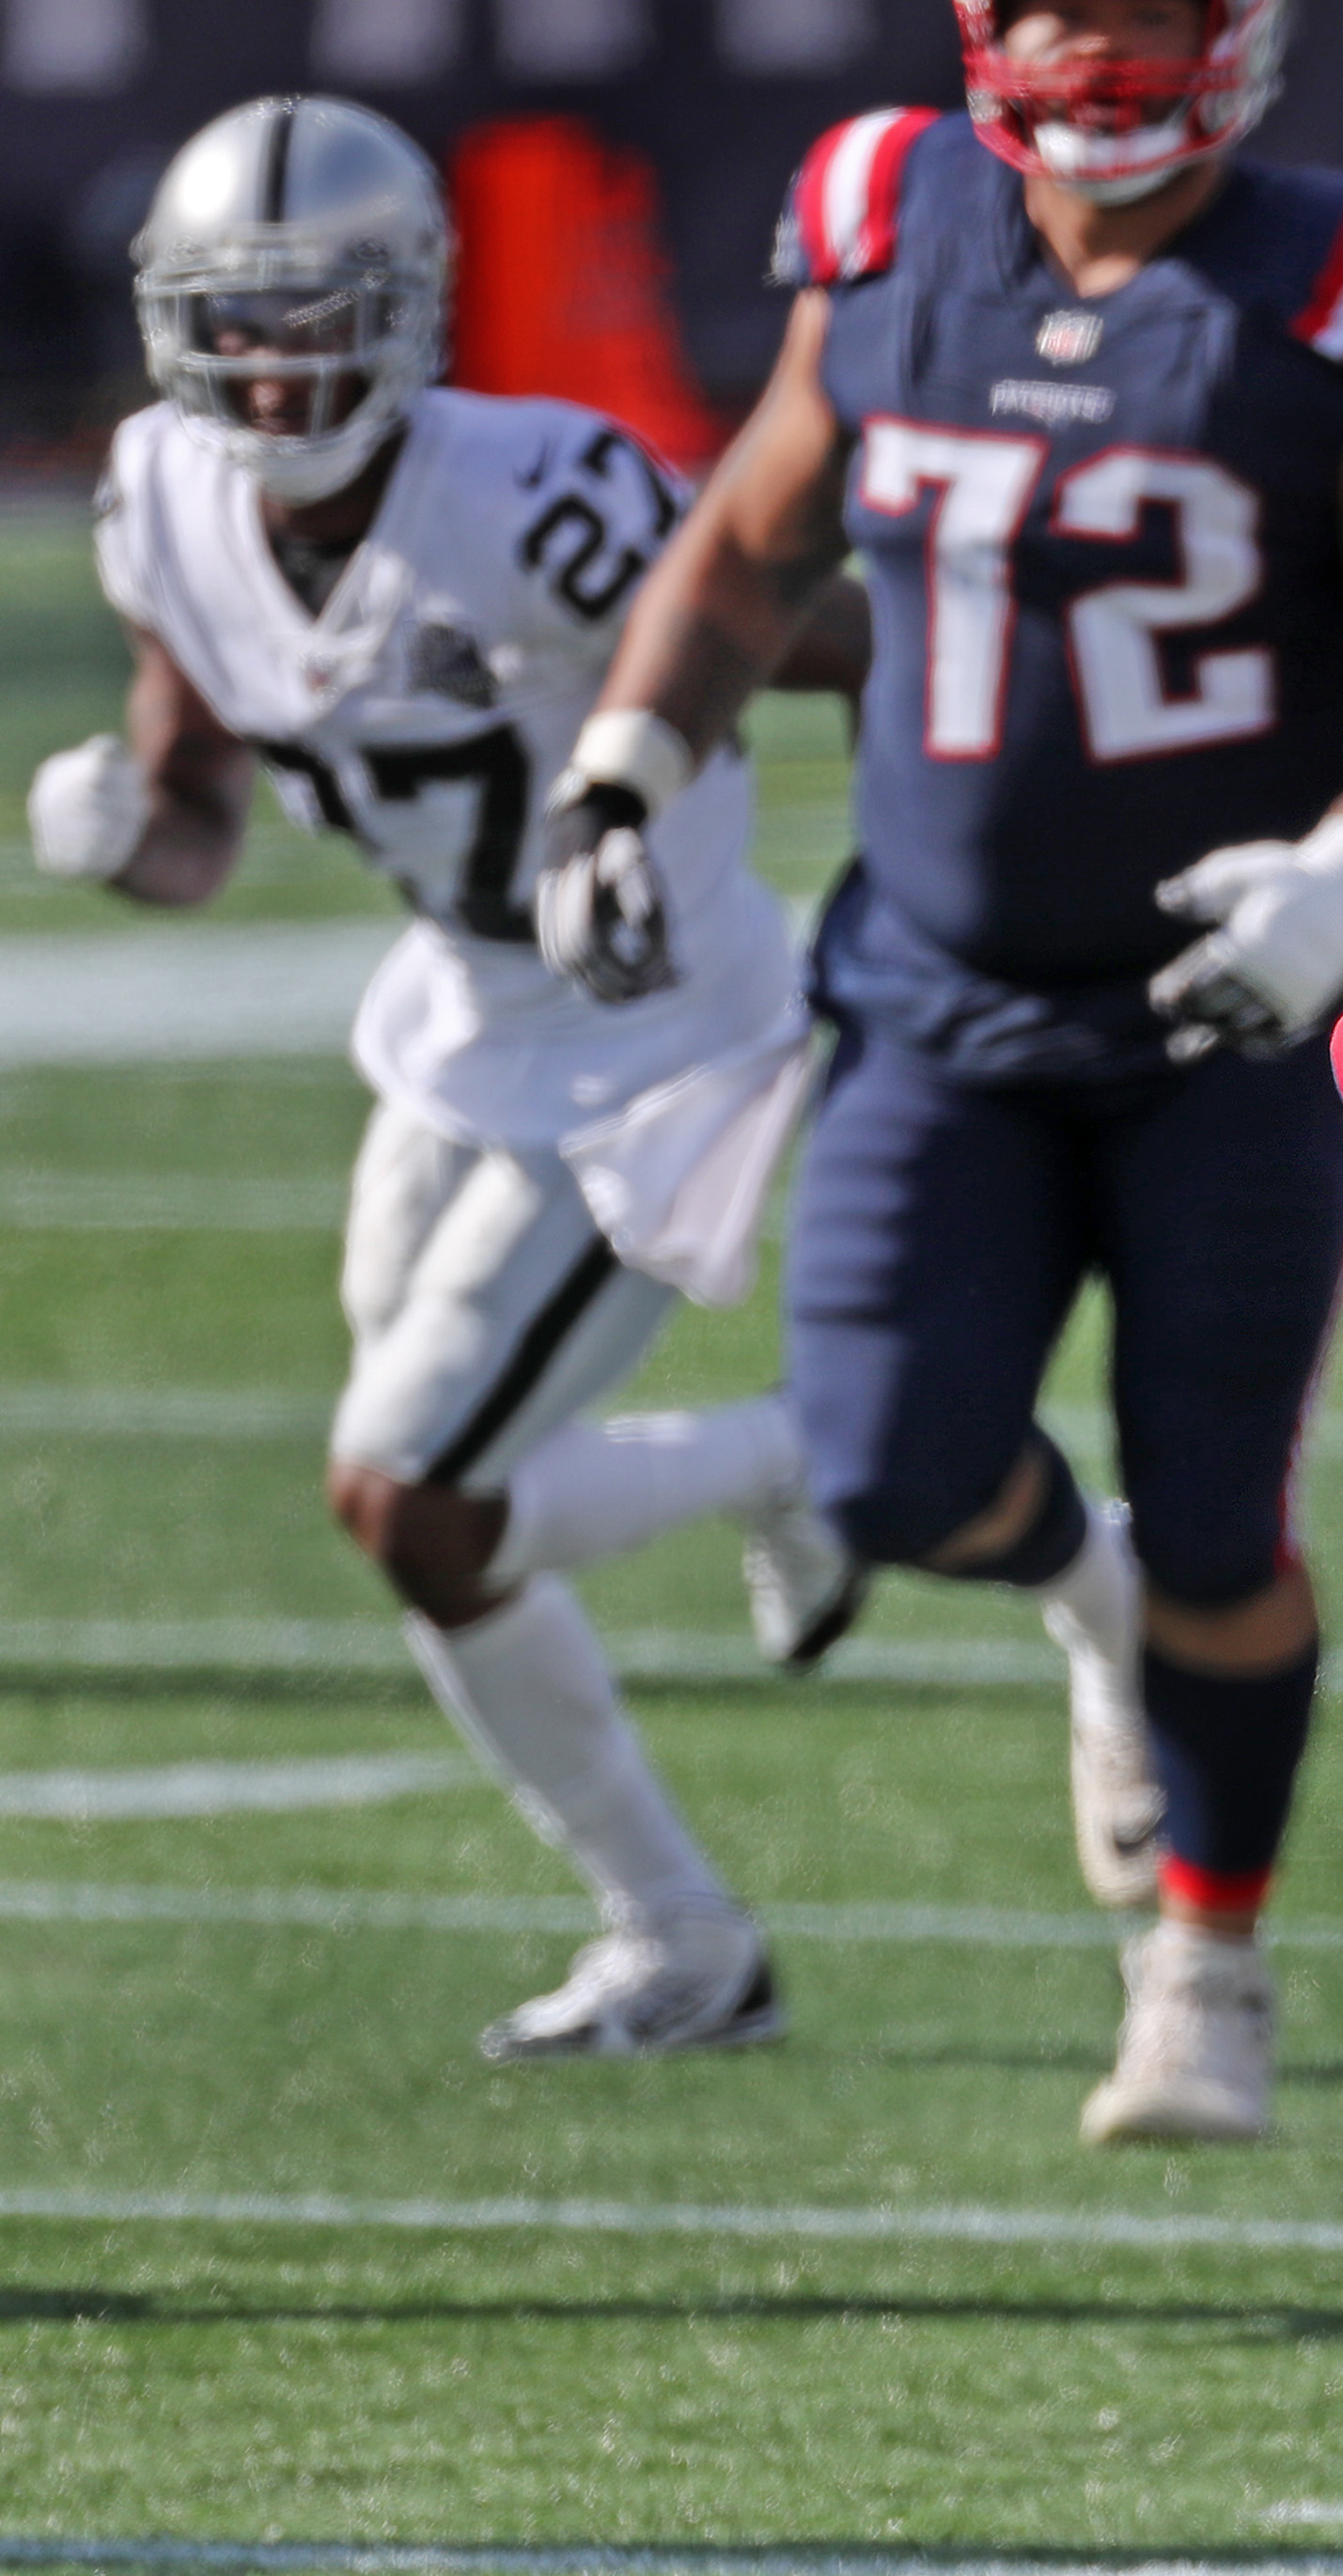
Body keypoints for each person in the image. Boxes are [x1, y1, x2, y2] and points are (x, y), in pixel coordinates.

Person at [567, 0, 1343, 2143]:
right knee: (890, 1464)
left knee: (1219, 1515)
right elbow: (748, 539)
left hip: (1234, 1012)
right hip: (940, 991)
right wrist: (629, 762)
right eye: (1070, 9)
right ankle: (1080, 1604)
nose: (1106, 59)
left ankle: (1207, 1958)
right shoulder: (891, 217)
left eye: (1152, 13)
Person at [23, 98, 864, 2061]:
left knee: (411, 1501)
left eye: (322, 316)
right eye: (236, 323)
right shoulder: (156, 497)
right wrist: (118, 830)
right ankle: (691, 1924)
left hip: (661, 1033)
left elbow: (806, 631)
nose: (278, 365)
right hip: (459, 1023)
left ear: (413, 314)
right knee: (438, 1518)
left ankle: (694, 1864)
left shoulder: (542, 488)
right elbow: (198, 831)